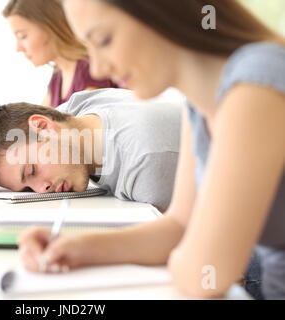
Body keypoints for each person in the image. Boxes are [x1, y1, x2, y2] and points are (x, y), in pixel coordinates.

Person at [17, 0, 285, 300]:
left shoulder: (255, 86)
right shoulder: (199, 103)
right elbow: (179, 225)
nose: (98, 67)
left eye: (104, 40)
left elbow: (206, 270)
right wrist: (77, 248)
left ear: (161, 11)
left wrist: (190, 257)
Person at [0, 88, 182, 213]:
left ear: (42, 126)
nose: (42, 189)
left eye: (32, 172)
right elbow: (2, 159)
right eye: (28, 186)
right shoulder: (79, 114)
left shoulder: (147, 166)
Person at [0, 0, 117, 151]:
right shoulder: (57, 79)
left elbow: (73, 144)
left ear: (50, 27)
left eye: (23, 36)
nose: (18, 48)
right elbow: (32, 130)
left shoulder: (91, 71)